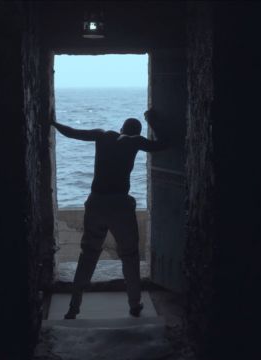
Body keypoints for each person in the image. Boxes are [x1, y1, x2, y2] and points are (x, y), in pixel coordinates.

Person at [51, 108, 172, 320]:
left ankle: (73, 307)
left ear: (120, 128)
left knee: (88, 255)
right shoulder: (135, 142)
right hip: (120, 204)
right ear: (136, 132)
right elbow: (164, 144)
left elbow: (71, 132)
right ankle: (134, 305)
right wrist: (153, 118)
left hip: (96, 202)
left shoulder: (103, 135)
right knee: (130, 256)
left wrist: (53, 123)